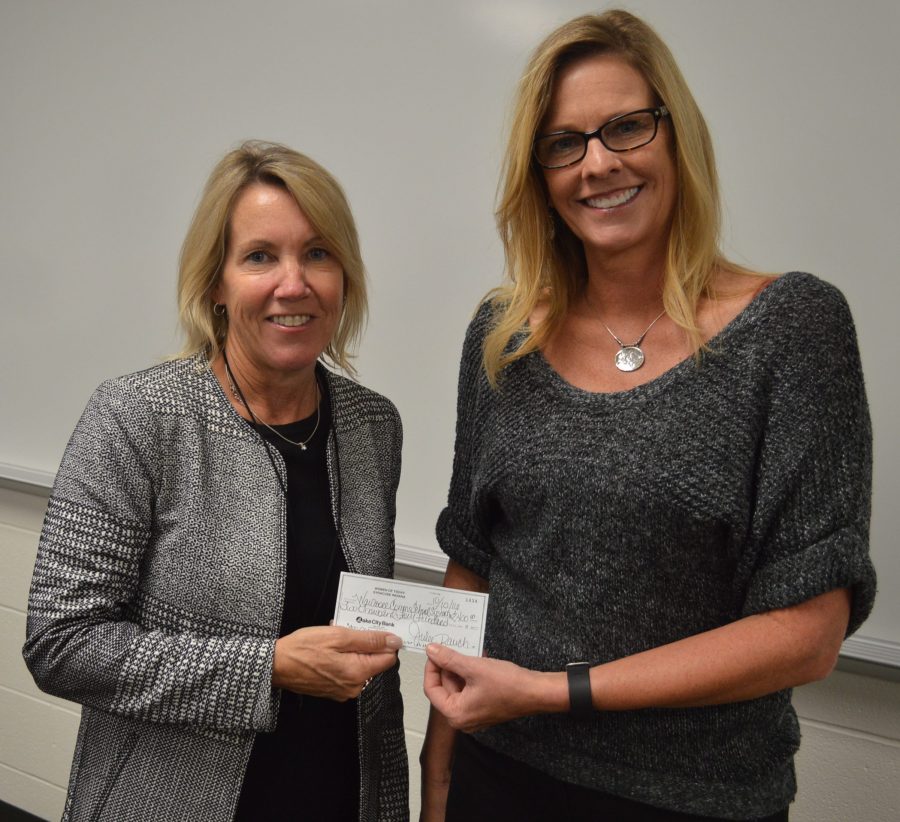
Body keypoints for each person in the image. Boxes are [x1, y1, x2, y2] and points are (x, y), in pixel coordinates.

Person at [421, 10, 875, 822]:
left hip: (694, 799)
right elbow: (472, 562)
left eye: (626, 127)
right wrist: (438, 770)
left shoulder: (793, 329)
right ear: (540, 174)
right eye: (564, 143)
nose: (598, 164)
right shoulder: (502, 339)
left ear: (676, 136)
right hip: (499, 774)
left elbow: (808, 632)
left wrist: (551, 693)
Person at [23, 141, 409, 822]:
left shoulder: (373, 425)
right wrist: (267, 669)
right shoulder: (138, 418)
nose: (295, 284)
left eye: (318, 254)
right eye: (261, 256)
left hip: (335, 797)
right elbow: (62, 643)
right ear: (216, 284)